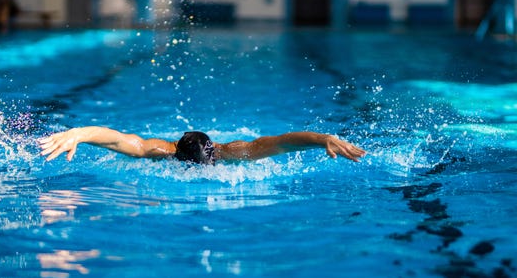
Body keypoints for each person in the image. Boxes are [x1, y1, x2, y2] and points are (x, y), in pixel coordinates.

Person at [39, 126, 366, 165]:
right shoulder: (159, 151)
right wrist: (80, 134)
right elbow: (120, 140)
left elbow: (282, 143)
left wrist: (324, 139)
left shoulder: (236, 152)